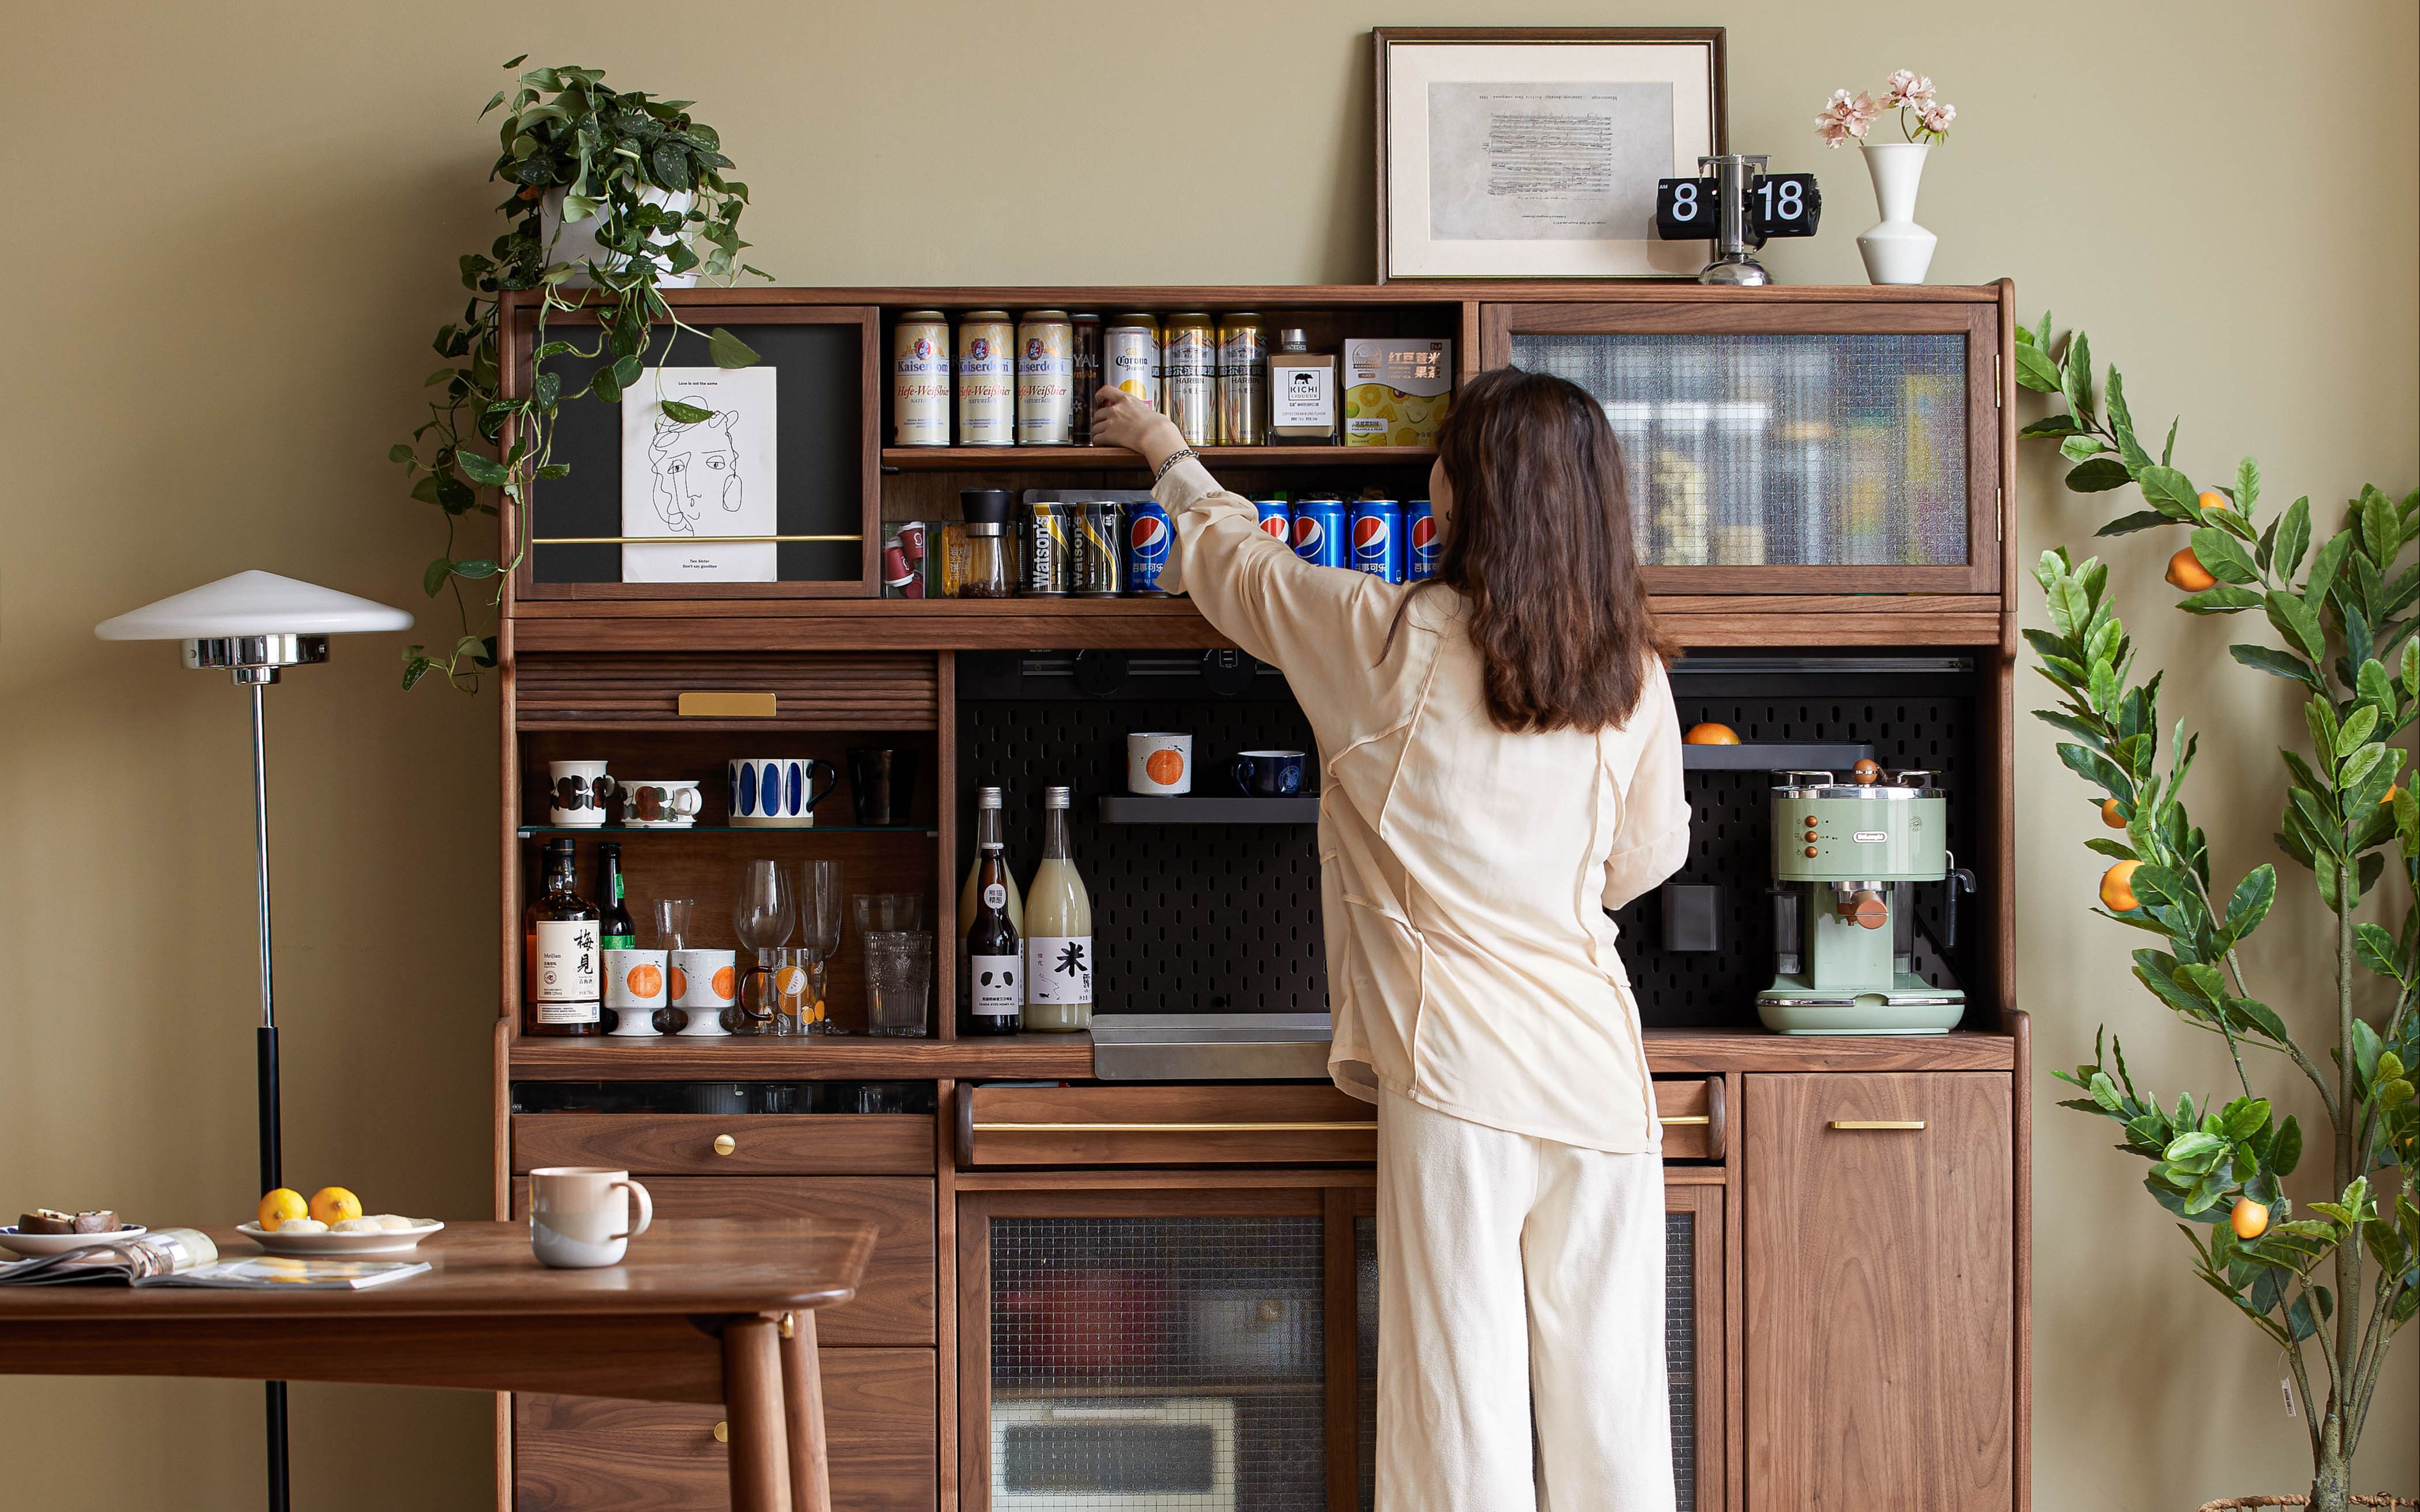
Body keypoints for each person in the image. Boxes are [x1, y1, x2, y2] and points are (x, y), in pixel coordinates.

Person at [1093, 366, 1688, 1512]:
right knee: (1613, 1418)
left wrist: (1165, 445)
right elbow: (1646, 856)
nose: (1430, 474)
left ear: (1472, 492)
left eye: (1446, 455)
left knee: (1458, 1416)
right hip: (1602, 1084)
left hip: (1458, 1075)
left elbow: (1240, 569)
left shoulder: (1386, 640)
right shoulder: (1634, 680)